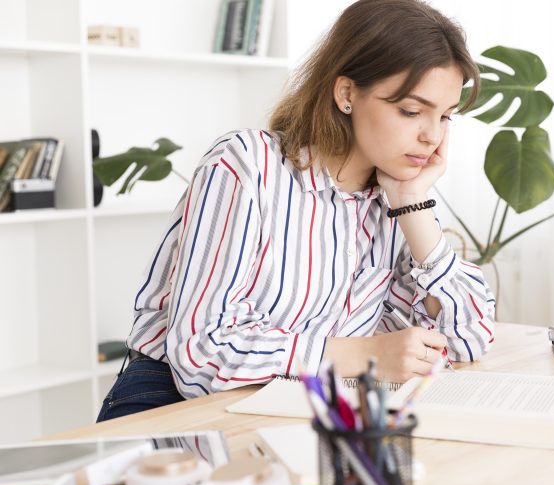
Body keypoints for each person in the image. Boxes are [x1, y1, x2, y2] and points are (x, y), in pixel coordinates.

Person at [97, 0, 495, 422]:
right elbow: (201, 354)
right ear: (346, 94)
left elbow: (466, 338)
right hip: (177, 401)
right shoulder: (246, 166)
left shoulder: (392, 198)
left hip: (305, 405)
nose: (432, 135)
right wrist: (363, 354)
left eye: (446, 117)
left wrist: (413, 205)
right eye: (411, 111)